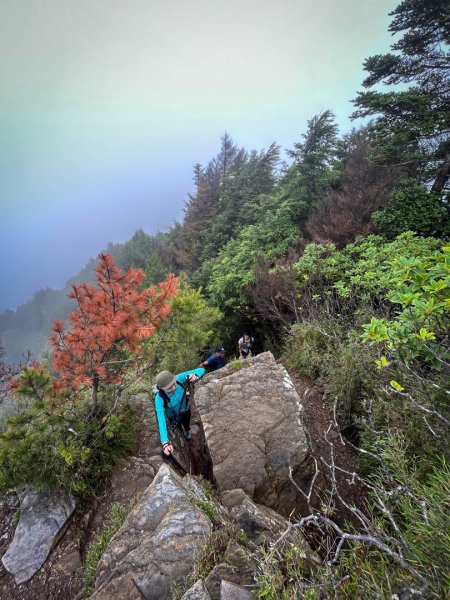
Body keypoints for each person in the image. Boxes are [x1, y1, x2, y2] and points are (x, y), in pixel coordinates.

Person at [154, 367, 205, 456]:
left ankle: (187, 430)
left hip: (185, 409)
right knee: (178, 426)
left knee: (186, 422)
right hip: (173, 416)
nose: (173, 388)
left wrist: (195, 375)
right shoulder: (159, 399)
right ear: (162, 388)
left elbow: (201, 369)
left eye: (174, 384)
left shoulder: (178, 378)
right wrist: (165, 443)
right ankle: (182, 431)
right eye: (169, 388)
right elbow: (161, 420)